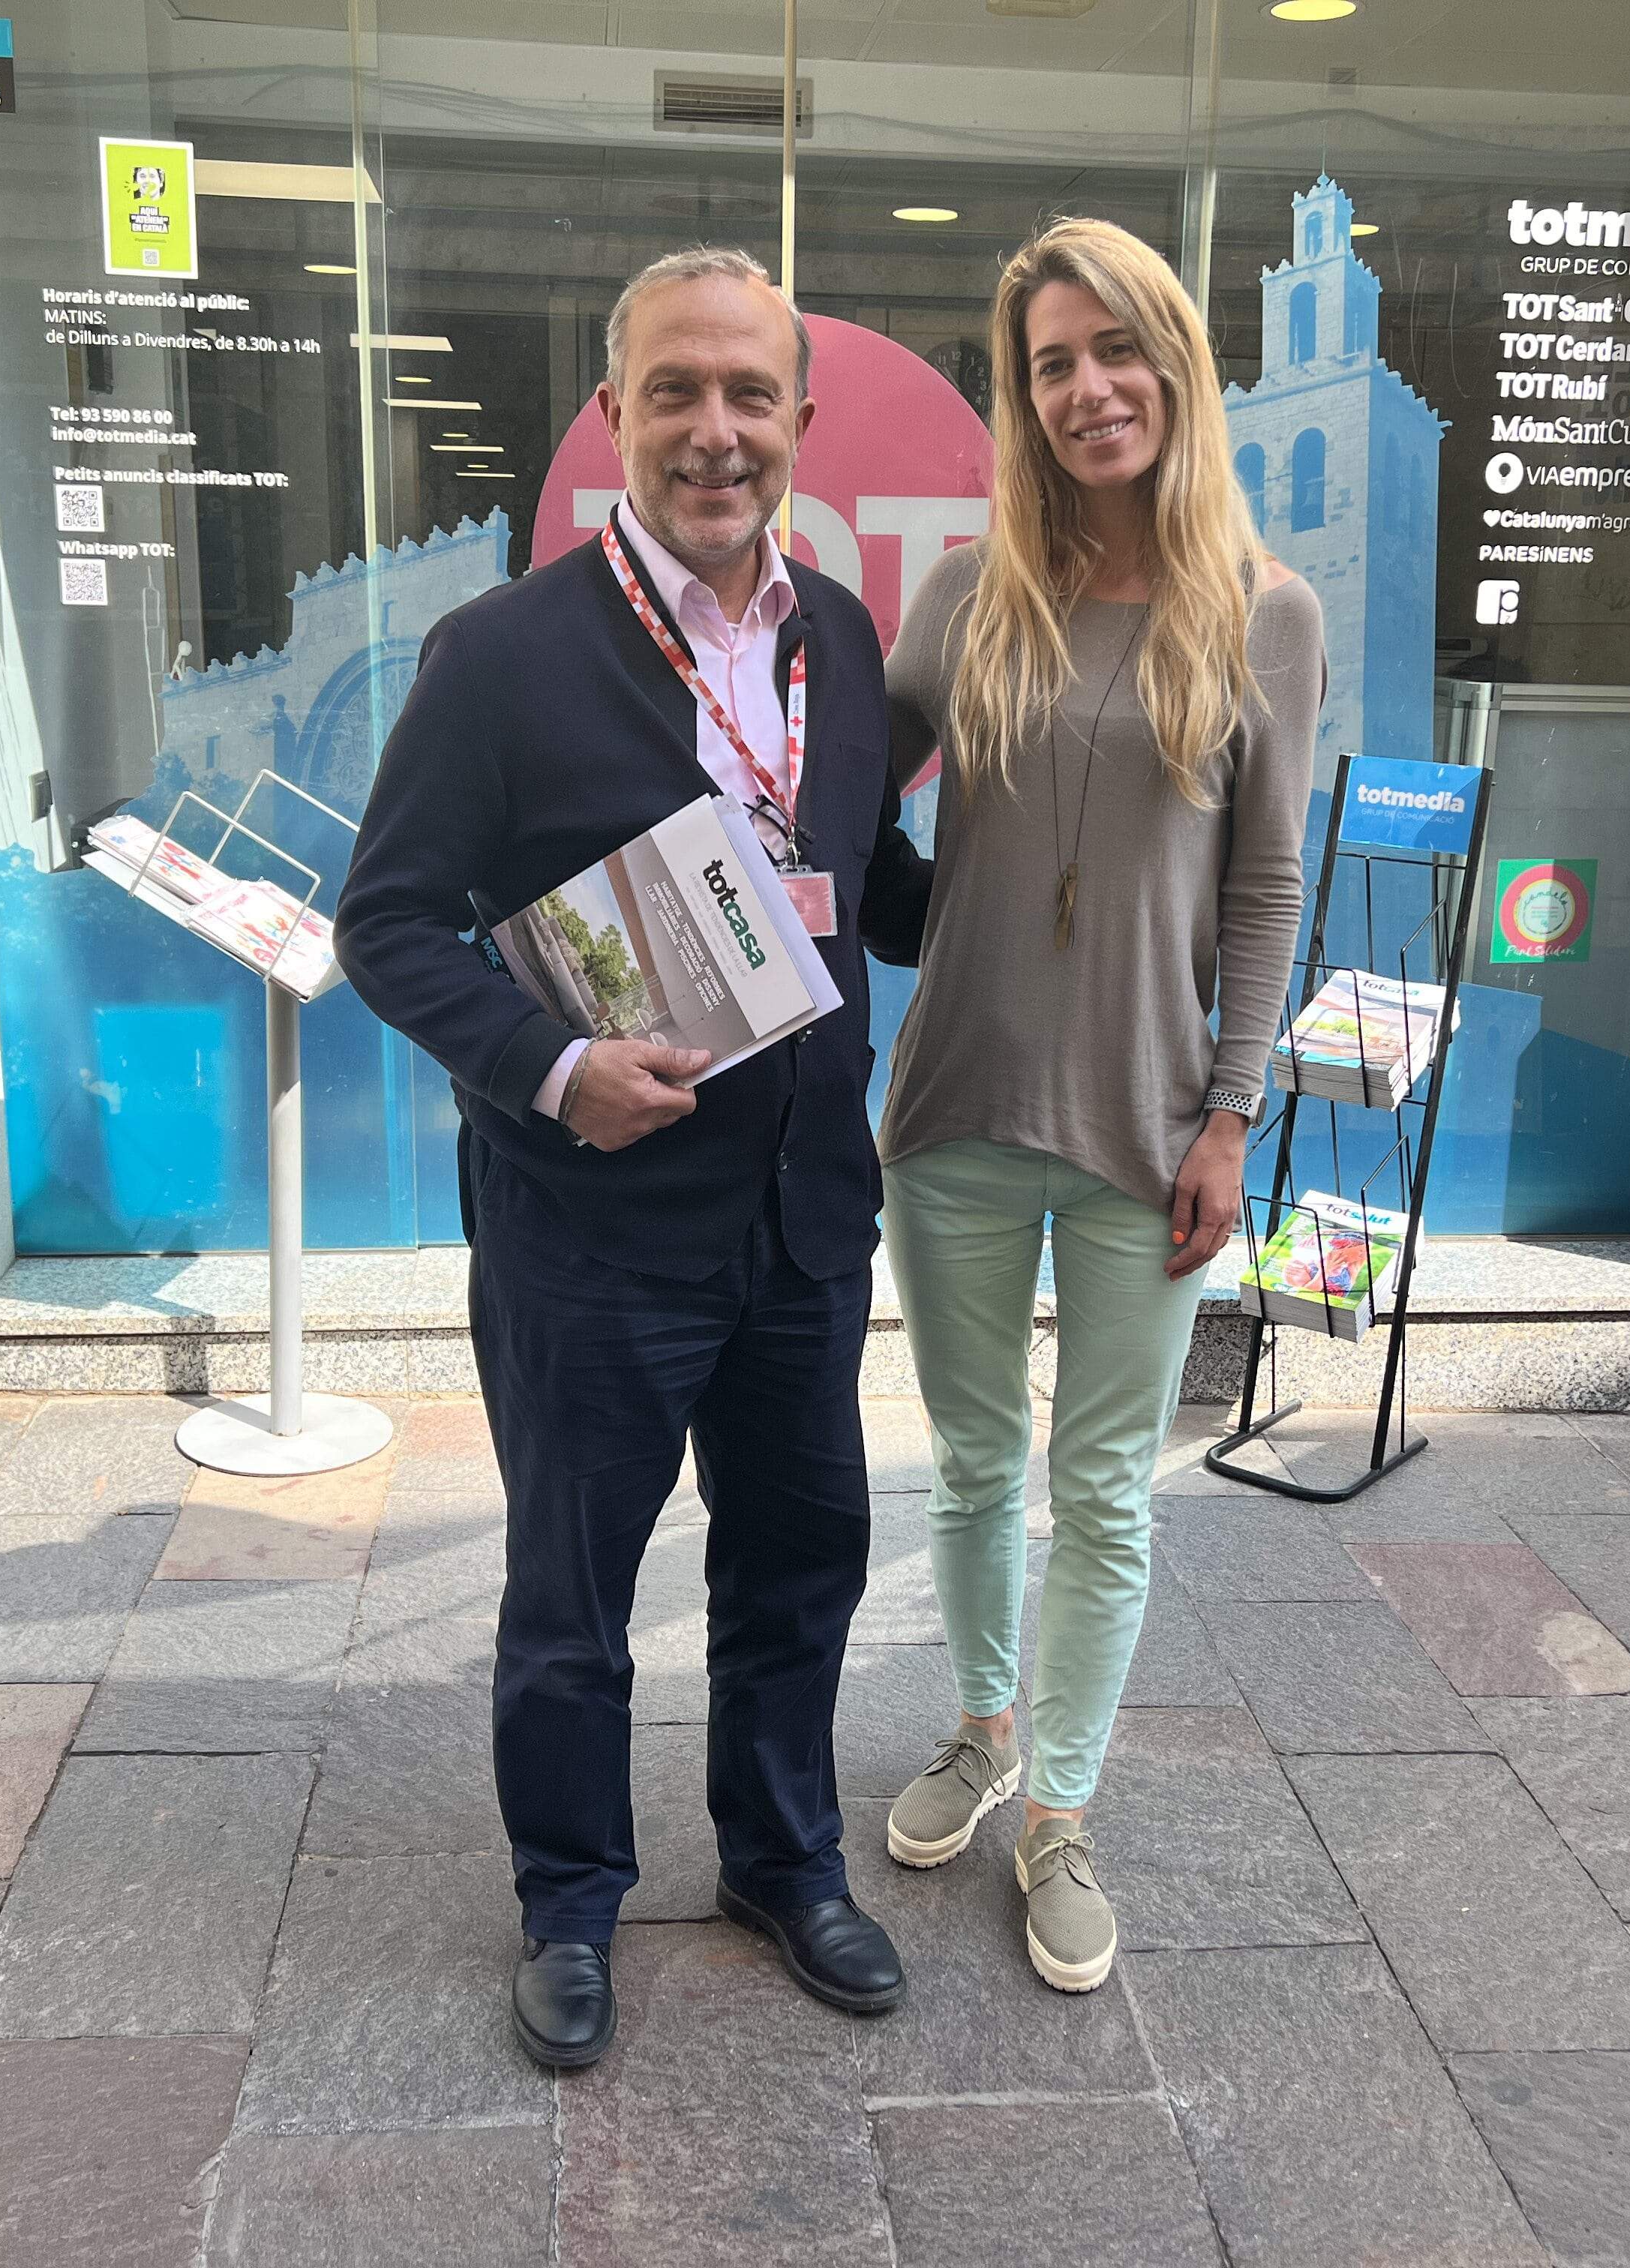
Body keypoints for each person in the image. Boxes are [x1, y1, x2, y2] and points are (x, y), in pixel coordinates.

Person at [336, 246, 931, 2067]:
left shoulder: (841, 639)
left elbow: (863, 901)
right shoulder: (505, 655)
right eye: (675, 391)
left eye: (751, 395)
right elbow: (389, 922)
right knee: (573, 1589)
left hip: (803, 1220)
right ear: (613, 416)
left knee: (797, 1564)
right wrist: (553, 1063)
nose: (715, 430)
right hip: (589, 1228)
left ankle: (781, 1857)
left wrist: (1057, 849)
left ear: (802, 425)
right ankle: (571, 1897)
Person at [875, 218, 1322, 1992]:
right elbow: (828, 795)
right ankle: (982, 1732)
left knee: (1107, 1490)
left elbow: (1266, 888)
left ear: (1176, 367)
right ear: (1024, 392)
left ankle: (1062, 1810)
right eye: (1052, 363)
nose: (1087, 390)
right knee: (980, 1466)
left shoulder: (1259, 614)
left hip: (1154, 1135)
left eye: (1116, 350)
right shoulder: (964, 599)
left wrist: (1234, 1114)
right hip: (959, 1114)